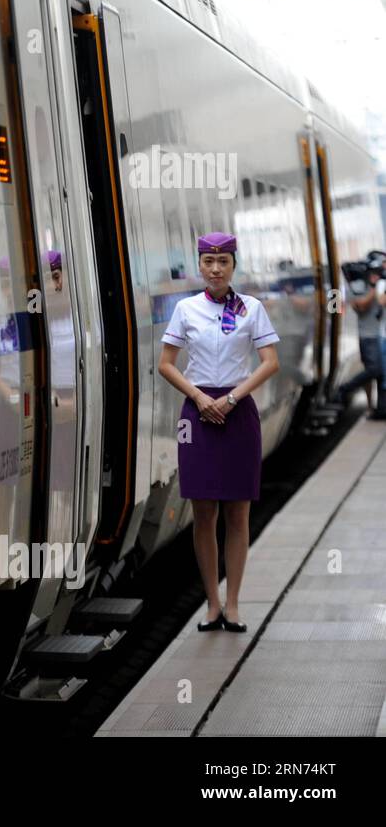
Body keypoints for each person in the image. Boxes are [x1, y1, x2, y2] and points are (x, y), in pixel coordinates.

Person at [157, 232, 280, 633]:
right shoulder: (185, 309)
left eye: (223, 261)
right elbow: (166, 364)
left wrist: (230, 399)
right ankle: (211, 602)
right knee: (203, 513)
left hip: (237, 412)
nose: (215, 269)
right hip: (196, 415)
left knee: (238, 513)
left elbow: (269, 362)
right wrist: (198, 397)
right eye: (208, 261)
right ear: (199, 265)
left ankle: (233, 603)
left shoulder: (252, 309)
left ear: (233, 265)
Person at [337, 260, 386, 417]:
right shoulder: (358, 285)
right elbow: (360, 306)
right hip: (368, 336)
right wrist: (374, 287)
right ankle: (347, 388)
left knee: (380, 374)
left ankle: (379, 408)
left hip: (379, 335)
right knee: (374, 370)